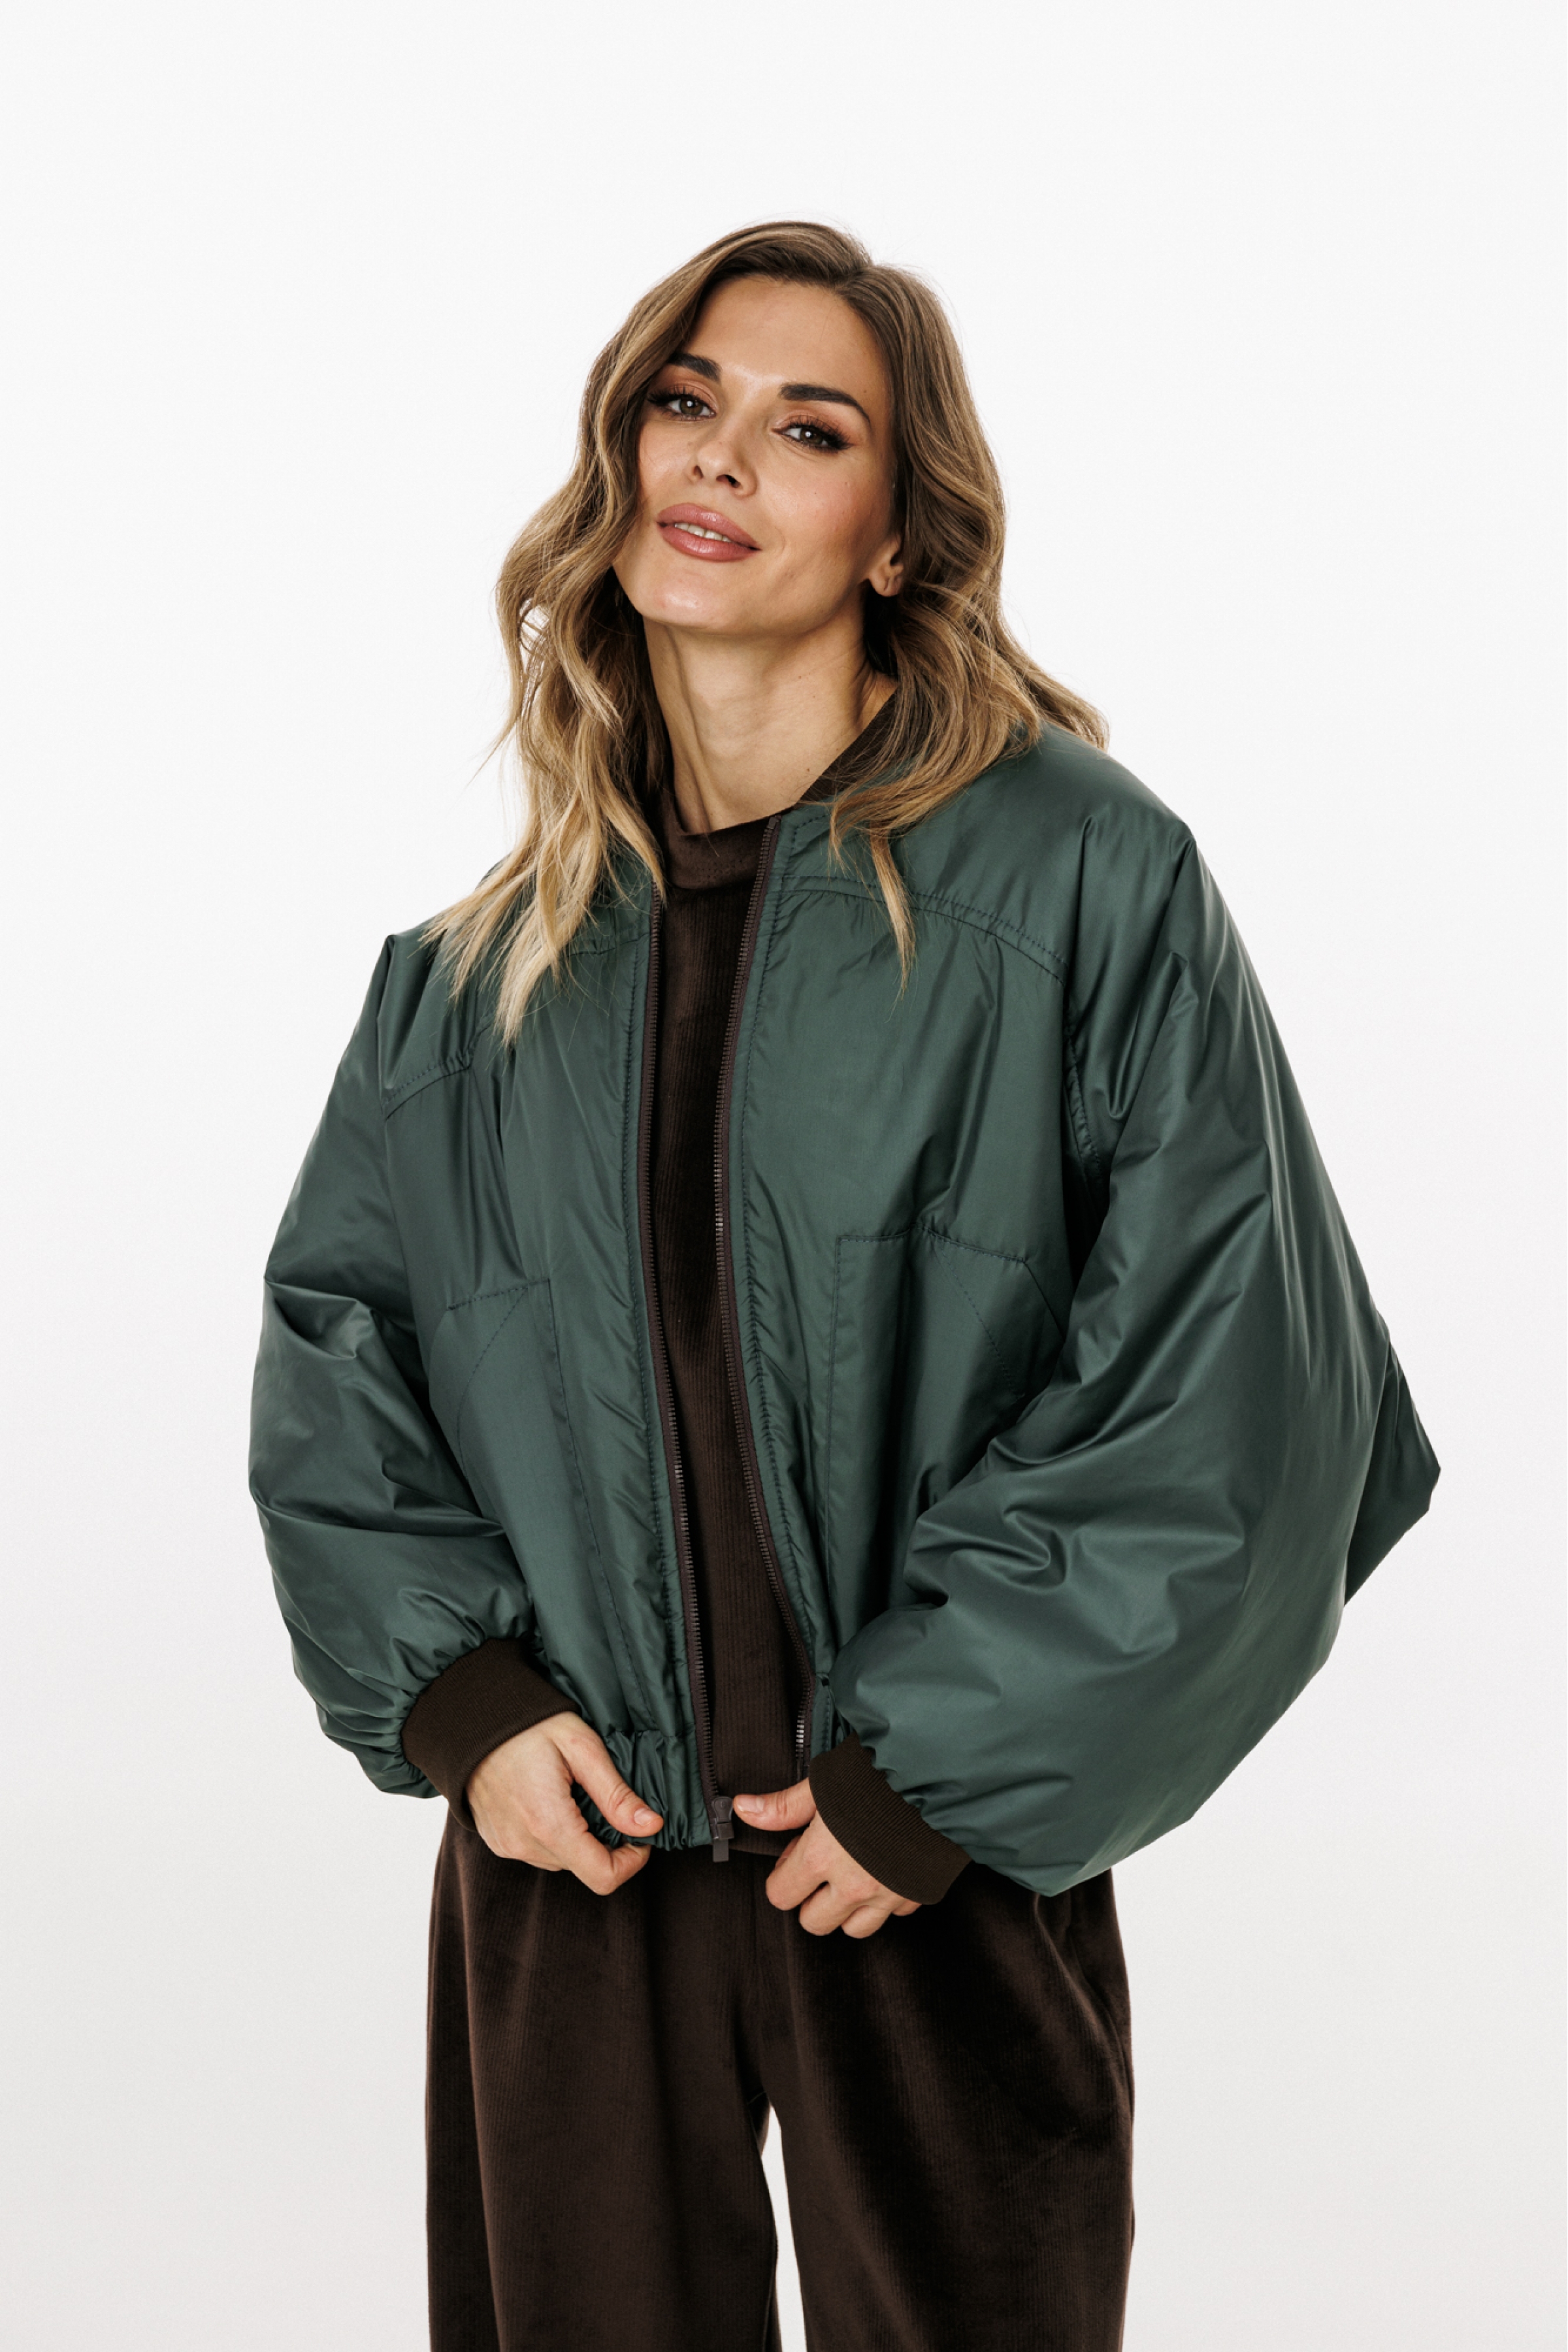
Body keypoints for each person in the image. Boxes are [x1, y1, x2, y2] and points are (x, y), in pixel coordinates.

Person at [250, 221, 1439, 2352]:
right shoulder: (472, 981)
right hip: (575, 1863)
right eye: (684, 402)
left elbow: (1247, 1389)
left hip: (925, 1862)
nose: (721, 457)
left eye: (809, 430)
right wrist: (468, 1709)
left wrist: (941, 1766)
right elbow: (339, 1364)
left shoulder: (1080, 877)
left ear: (900, 533)